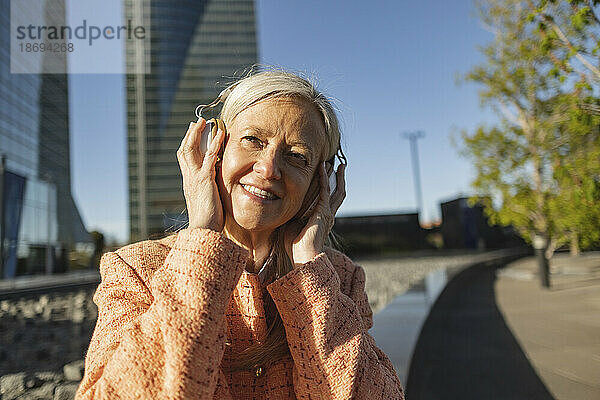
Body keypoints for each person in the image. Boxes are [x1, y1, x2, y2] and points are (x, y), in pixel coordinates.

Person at [75, 69, 405, 399]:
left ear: (320, 183)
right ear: (213, 149)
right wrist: (202, 239)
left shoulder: (341, 277)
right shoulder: (134, 269)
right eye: (253, 140)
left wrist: (309, 269)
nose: (269, 168)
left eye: (296, 157)